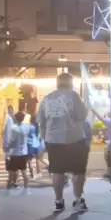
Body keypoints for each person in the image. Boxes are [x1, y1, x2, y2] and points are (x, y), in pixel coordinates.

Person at [38, 73, 90, 212]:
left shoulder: (47, 99)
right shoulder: (74, 96)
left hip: (54, 140)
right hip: (75, 139)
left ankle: (59, 201)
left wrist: (45, 140)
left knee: (57, 171)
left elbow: (41, 122)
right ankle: (78, 199)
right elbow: (83, 115)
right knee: (78, 172)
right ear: (70, 83)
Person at [7, 111, 31, 189]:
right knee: (24, 172)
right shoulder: (26, 127)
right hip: (23, 152)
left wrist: (7, 148)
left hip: (15, 153)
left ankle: (8, 188)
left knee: (11, 173)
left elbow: (12, 141)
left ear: (15, 118)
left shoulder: (14, 128)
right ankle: (26, 188)